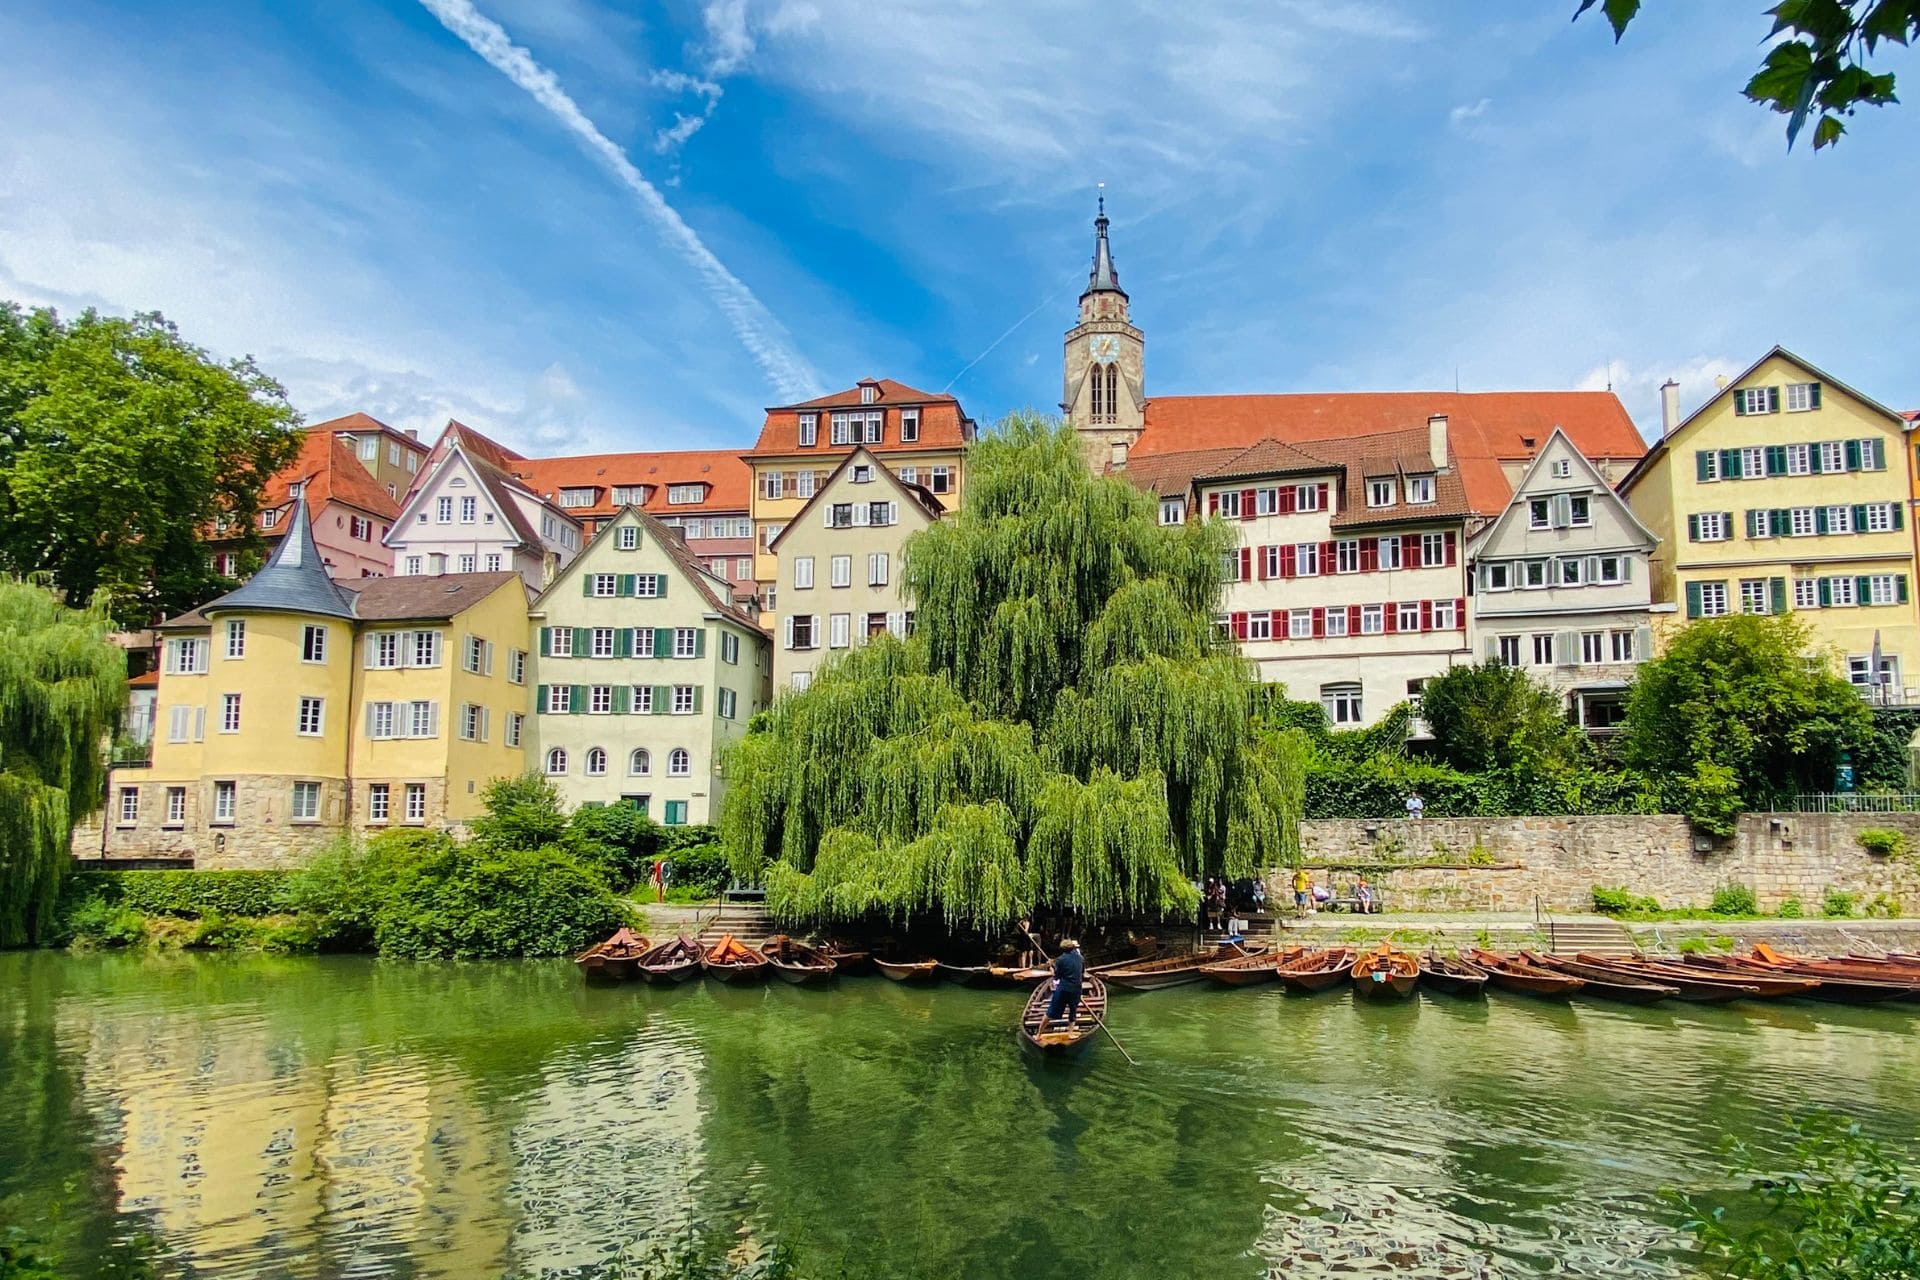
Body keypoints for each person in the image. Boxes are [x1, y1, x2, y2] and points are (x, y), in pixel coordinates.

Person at [1041, 938, 1085, 1032]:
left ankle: (1038, 1034)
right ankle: (1070, 1033)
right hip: (1076, 988)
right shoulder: (1080, 958)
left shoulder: (1060, 960)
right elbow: (1082, 973)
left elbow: (1056, 977)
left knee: (1051, 1011)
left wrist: (1051, 968)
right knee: (1073, 1011)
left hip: (1064, 988)